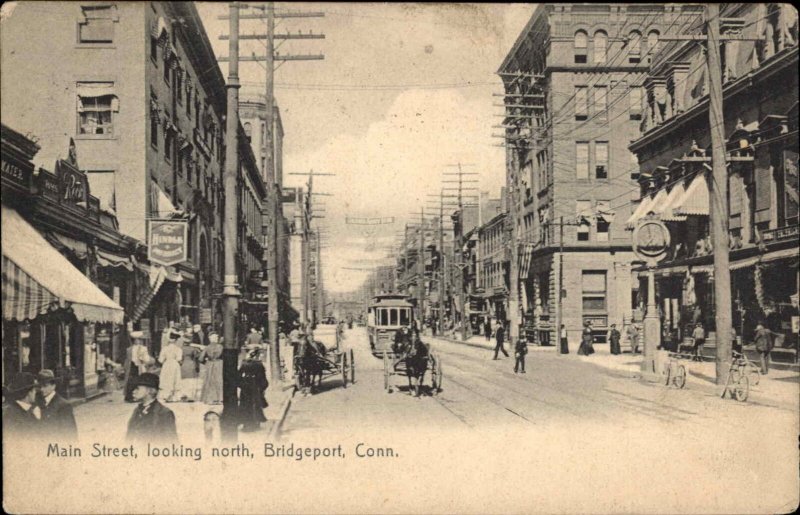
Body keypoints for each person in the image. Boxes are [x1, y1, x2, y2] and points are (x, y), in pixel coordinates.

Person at [126, 373, 178, 443]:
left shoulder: (164, 413)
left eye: (137, 388)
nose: (133, 392)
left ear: (149, 391)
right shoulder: (137, 411)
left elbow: (172, 442)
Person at [36, 369, 77, 440]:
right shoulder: (38, 402)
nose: (42, 389)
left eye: (45, 386)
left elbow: (70, 434)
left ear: (53, 386)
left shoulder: (63, 405)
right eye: (40, 386)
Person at [238, 347, 268, 432]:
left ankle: (245, 423)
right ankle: (255, 422)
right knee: (255, 403)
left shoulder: (244, 363)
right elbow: (263, 377)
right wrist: (263, 387)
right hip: (255, 385)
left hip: (246, 384)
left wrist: (241, 384)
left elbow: (238, 375)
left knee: (244, 404)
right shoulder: (259, 364)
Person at [2, 372, 42, 437]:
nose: (35, 393)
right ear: (29, 392)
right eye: (34, 390)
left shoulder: (13, 410)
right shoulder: (12, 414)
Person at [158, 330, 183, 402]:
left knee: (166, 379)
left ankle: (166, 396)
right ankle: (174, 397)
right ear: (176, 340)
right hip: (175, 364)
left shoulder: (164, 349)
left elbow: (160, 360)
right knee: (175, 379)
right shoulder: (178, 349)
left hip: (166, 364)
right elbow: (179, 358)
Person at [123, 331, 149, 402]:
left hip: (139, 366)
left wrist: (143, 360)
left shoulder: (143, 348)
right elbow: (127, 359)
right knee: (131, 381)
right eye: (136, 340)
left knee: (139, 381)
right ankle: (130, 396)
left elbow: (146, 359)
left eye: (139, 340)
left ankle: (138, 396)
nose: (138, 341)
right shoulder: (129, 349)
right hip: (132, 366)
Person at [199, 332, 224, 404]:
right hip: (219, 364)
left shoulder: (207, 347)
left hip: (210, 364)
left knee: (209, 380)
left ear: (210, 339)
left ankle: (210, 398)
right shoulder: (221, 347)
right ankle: (220, 398)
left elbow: (201, 359)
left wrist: (206, 361)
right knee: (219, 380)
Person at [179, 336, 200, 402]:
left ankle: (184, 395)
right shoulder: (193, 349)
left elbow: (179, 359)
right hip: (191, 364)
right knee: (191, 381)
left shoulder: (180, 349)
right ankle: (191, 396)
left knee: (184, 381)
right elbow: (196, 357)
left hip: (183, 365)